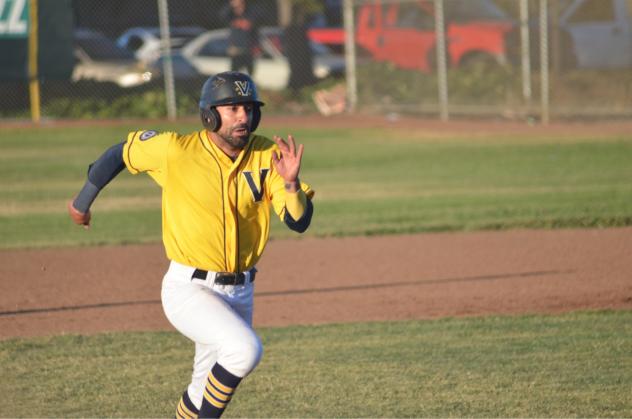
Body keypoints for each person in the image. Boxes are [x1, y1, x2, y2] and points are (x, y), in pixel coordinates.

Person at [67, 71, 314, 418]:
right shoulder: (176, 150)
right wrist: (81, 203)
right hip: (189, 288)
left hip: (241, 292)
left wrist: (290, 185)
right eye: (232, 108)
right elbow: (119, 154)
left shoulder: (268, 156)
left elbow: (298, 220)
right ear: (209, 114)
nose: (243, 116)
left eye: (248, 108)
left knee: (201, 393)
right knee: (244, 351)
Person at [221, 0, 258, 75]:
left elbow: (255, 31)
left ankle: (248, 85)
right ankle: (234, 85)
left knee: (250, 71)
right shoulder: (231, 16)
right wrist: (231, 5)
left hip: (248, 48)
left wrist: (255, 46)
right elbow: (222, 15)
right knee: (234, 71)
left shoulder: (250, 14)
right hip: (235, 48)